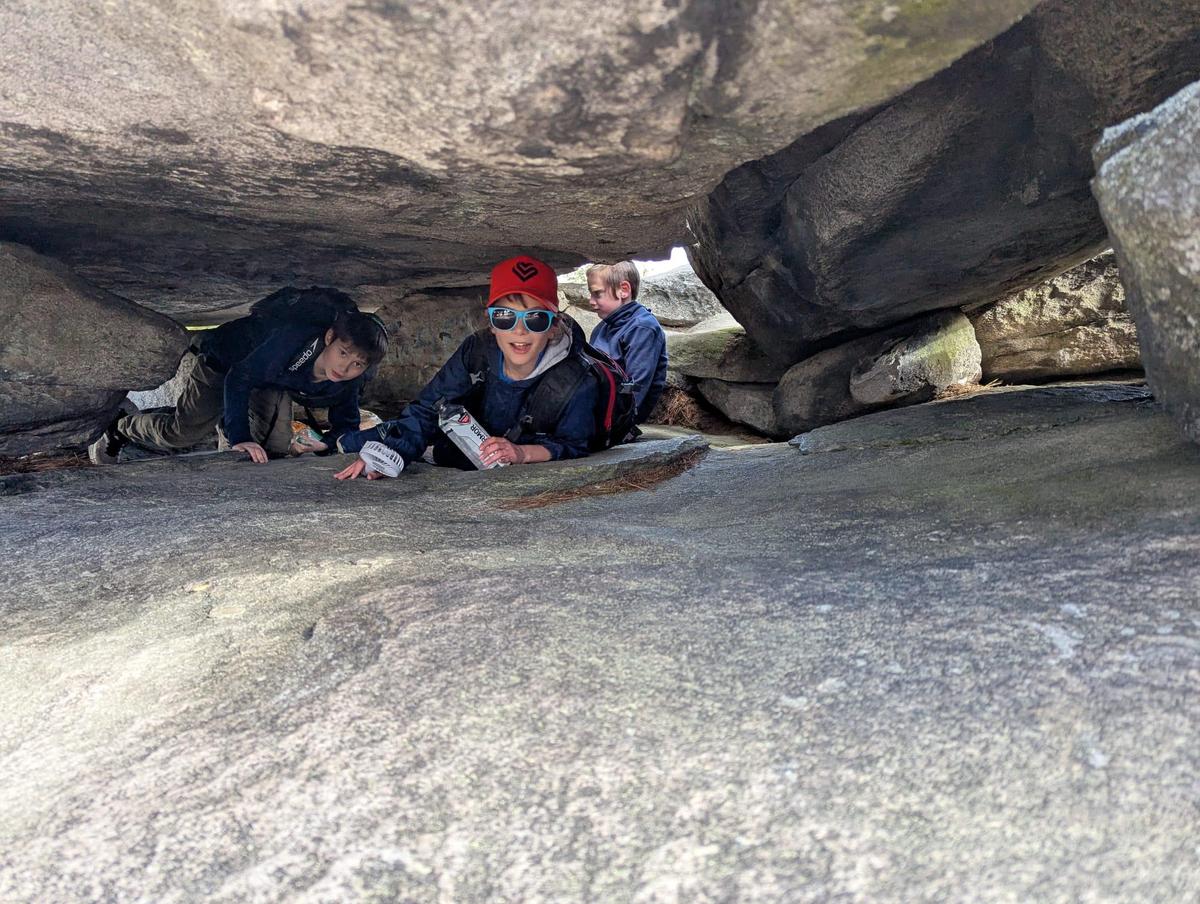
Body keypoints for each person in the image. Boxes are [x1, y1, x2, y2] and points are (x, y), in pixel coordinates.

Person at [334, 254, 597, 479]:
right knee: (371, 439)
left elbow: (575, 444)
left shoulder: (575, 380)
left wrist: (522, 453)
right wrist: (390, 456)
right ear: (491, 323)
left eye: (536, 318)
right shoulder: (477, 350)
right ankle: (332, 442)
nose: (519, 330)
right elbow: (428, 407)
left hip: (520, 442)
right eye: (504, 317)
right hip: (479, 435)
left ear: (553, 326)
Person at [89, 287, 388, 465]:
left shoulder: (350, 380)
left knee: (273, 448)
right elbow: (239, 378)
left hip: (270, 380)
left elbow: (347, 424)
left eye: (358, 364)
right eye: (343, 353)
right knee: (182, 433)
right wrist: (241, 437)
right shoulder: (291, 339)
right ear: (329, 337)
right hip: (226, 362)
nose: (345, 368)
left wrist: (327, 443)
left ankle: (225, 425)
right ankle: (121, 426)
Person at [585, 260, 668, 423]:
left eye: (597, 293)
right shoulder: (603, 327)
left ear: (623, 290)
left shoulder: (642, 328)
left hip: (617, 418)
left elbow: (635, 389)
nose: (591, 301)